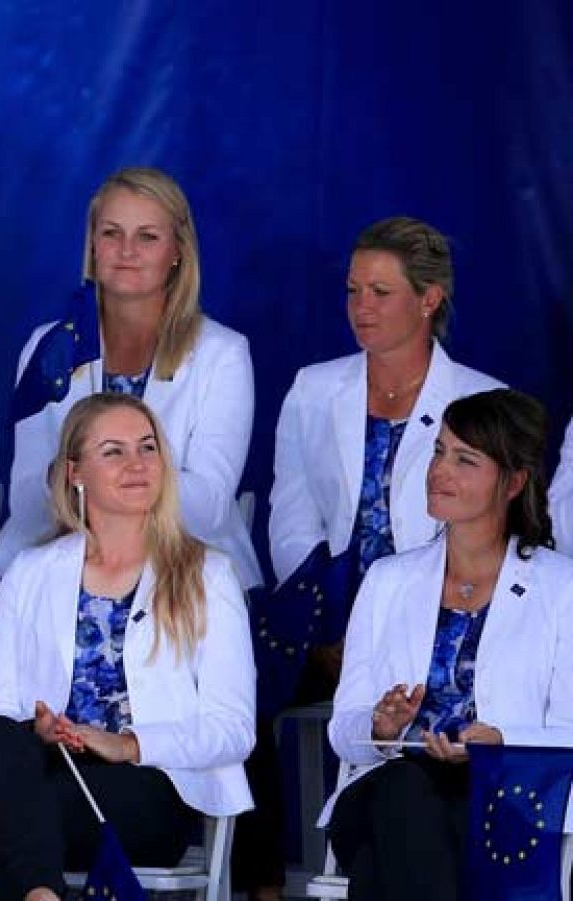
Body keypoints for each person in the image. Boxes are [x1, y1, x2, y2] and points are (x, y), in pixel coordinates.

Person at [240, 216, 505, 897]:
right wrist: (326, 620)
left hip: (428, 616)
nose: (361, 307)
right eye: (353, 290)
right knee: (239, 678)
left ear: (429, 299)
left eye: (381, 292)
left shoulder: (481, 399)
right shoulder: (314, 387)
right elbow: (291, 512)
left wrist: (382, 627)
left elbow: (486, 536)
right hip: (325, 612)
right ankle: (259, 878)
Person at [0, 393, 255, 901]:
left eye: (148, 447)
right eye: (114, 451)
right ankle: (42, 894)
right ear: (75, 473)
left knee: (10, 814)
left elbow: (233, 729)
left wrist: (129, 744)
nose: (137, 464)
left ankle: (32, 887)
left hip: (150, 783)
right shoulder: (30, 571)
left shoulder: (208, 574)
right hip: (46, 768)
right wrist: (42, 729)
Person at [321, 389, 573, 900]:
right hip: (387, 788)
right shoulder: (388, 579)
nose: (439, 470)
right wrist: (380, 727)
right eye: (439, 451)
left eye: (465, 459)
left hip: (504, 800)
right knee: (406, 792)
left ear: (513, 482)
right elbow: (343, 732)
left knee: (388, 858)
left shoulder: (561, 588)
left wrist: (499, 740)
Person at [0, 167, 261, 590]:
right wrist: (122, 489)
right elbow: (25, 502)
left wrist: (92, 480)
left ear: (178, 251)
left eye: (147, 236)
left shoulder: (222, 354)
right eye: (112, 233)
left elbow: (209, 507)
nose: (127, 250)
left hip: (182, 572)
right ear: (93, 245)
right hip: (54, 566)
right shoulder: (48, 345)